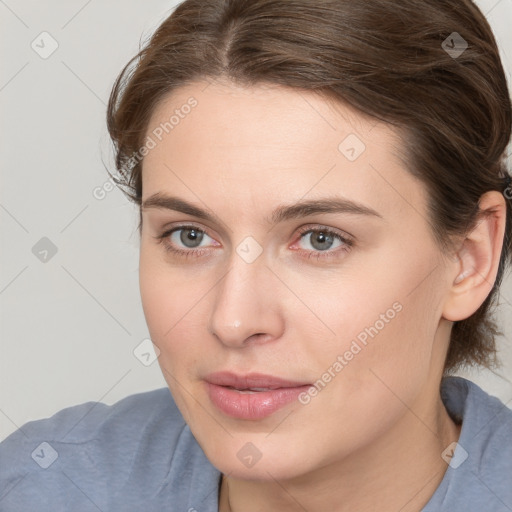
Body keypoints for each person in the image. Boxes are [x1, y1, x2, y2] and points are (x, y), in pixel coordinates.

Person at [1, 0, 512, 510]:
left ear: (469, 259)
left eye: (320, 239)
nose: (234, 320)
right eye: (190, 236)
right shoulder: (40, 485)